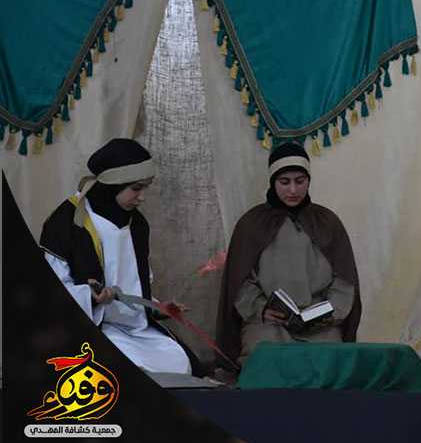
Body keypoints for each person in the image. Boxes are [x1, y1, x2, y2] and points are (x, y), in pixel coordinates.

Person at [40, 138, 194, 375]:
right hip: (97, 325)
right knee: (122, 367)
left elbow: (134, 285)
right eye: (136, 188)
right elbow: (50, 292)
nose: (142, 197)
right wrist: (90, 296)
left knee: (178, 364)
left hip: (136, 331)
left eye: (145, 188)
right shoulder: (66, 222)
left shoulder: (137, 224)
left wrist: (156, 307)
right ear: (114, 184)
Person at [217, 142, 361, 368]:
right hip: (268, 323)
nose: (293, 190)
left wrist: (328, 313)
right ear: (272, 182)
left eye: (300, 181)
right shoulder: (252, 224)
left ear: (308, 181)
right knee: (265, 360)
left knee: (329, 363)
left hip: (319, 326)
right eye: (284, 182)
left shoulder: (327, 223)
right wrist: (261, 309)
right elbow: (239, 282)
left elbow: (344, 281)